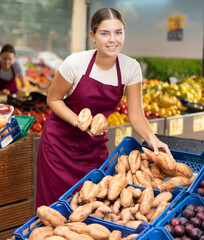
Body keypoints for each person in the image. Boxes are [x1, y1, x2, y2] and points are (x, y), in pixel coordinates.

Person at [36, 7, 171, 208]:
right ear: (93, 35)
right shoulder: (75, 63)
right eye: (105, 33)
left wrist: (153, 140)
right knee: (55, 209)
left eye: (118, 32)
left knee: (93, 204)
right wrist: (79, 122)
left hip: (93, 148)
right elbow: (53, 99)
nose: (113, 39)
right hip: (58, 146)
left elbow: (135, 115)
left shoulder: (130, 68)